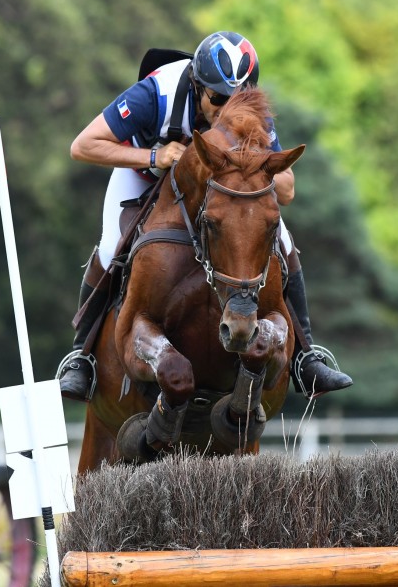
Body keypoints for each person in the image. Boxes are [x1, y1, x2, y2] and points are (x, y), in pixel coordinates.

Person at [56, 31, 352, 401]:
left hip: (217, 189)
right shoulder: (155, 93)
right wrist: (153, 157)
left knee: (283, 238)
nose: (227, 108)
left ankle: (306, 356)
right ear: (196, 85)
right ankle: (82, 357)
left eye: (236, 99)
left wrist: (257, 167)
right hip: (143, 174)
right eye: (217, 99)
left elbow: (287, 189)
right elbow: (83, 145)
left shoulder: (249, 111)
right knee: (109, 245)